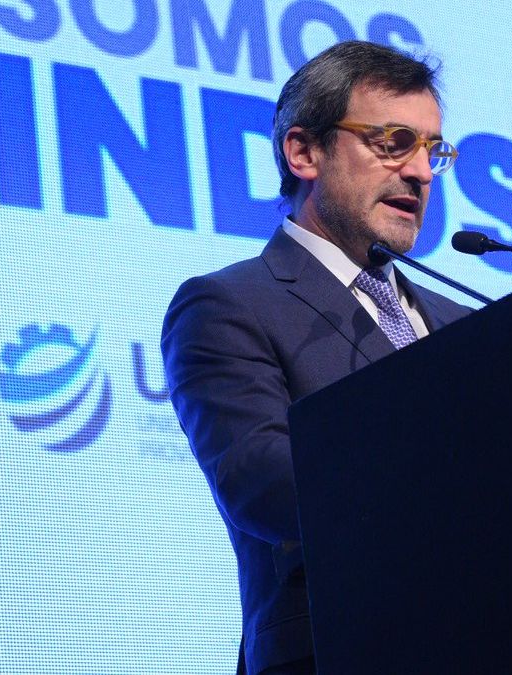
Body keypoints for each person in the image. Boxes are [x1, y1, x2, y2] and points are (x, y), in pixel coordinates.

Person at [161, 41, 474, 675]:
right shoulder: (228, 306)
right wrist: (461, 482)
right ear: (303, 152)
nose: (421, 172)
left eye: (432, 150)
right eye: (394, 143)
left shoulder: (468, 325)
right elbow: (263, 482)